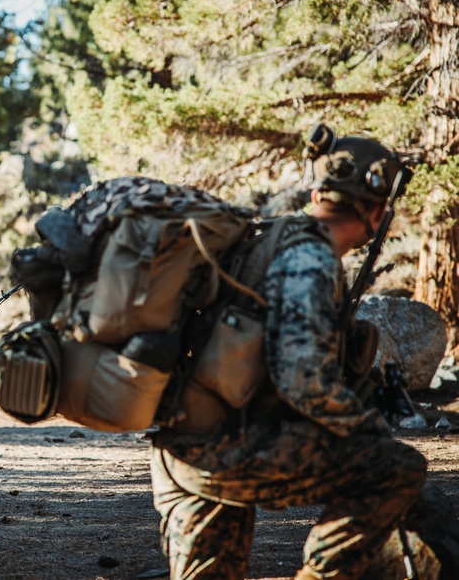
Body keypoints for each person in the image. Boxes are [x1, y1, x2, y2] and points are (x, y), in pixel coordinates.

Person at [149, 127, 428, 579]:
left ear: (318, 190)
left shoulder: (261, 239)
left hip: (181, 453)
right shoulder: (310, 258)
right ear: (377, 210)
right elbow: (303, 380)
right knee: (395, 467)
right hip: (234, 452)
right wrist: (364, 426)